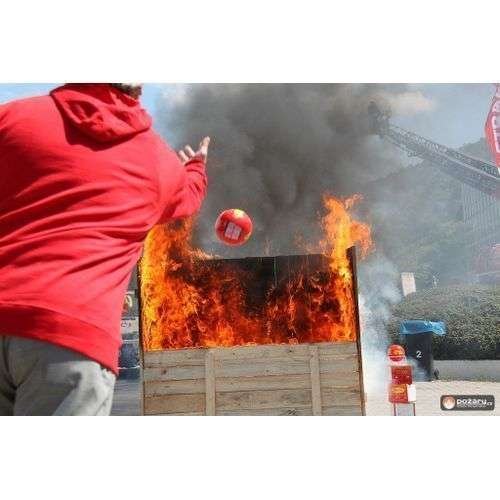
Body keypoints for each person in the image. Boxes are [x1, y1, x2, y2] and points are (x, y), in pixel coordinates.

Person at [0, 83, 209, 415]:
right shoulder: (157, 162)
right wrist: (195, 167)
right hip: (72, 338)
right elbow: (189, 196)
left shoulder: (13, 117)